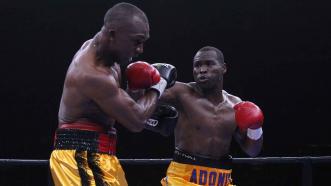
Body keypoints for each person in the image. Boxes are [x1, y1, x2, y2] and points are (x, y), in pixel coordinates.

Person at [49, 2, 176, 186]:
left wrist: (146, 105)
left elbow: (116, 105)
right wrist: (159, 84)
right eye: (136, 41)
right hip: (80, 159)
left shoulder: (108, 57)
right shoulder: (92, 74)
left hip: (100, 156)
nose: (140, 49)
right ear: (112, 35)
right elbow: (136, 121)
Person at [146, 46, 264, 186]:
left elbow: (252, 151)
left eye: (209, 64)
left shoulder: (236, 105)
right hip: (183, 179)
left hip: (222, 180)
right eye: (197, 65)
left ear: (223, 68)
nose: (202, 70)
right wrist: (152, 81)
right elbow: (137, 96)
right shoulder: (181, 93)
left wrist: (255, 128)